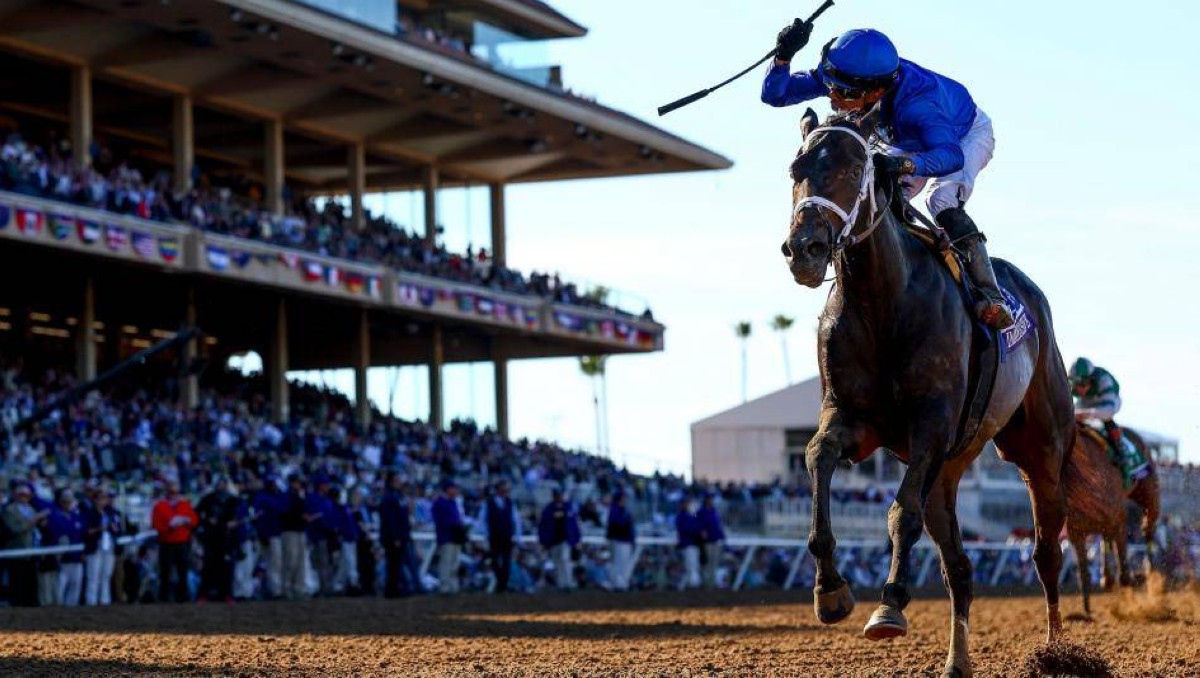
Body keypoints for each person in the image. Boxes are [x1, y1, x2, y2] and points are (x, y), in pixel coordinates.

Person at [762, 25, 1012, 329]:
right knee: (875, 198)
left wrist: (906, 166)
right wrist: (783, 56)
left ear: (877, 91)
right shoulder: (847, 76)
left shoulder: (919, 104)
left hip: (962, 137)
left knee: (941, 200)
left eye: (844, 94)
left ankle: (990, 293)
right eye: (830, 86)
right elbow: (775, 95)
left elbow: (951, 157)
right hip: (898, 138)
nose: (833, 98)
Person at [1070, 357, 1150, 486]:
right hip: (1087, 402)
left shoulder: (1104, 381)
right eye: (1076, 385)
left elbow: (1108, 411)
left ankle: (1122, 453)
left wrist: (1087, 414)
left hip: (1109, 402)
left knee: (1106, 420)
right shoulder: (1073, 388)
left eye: (1083, 384)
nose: (1080, 389)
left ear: (1092, 379)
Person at [151, 481, 197, 603]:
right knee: (165, 571)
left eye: (176, 492)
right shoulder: (160, 506)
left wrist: (186, 521)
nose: (174, 495)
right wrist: (169, 526)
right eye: (171, 492)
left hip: (182, 542)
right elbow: (156, 525)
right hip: (166, 542)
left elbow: (194, 520)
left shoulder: (184, 505)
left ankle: (183, 596)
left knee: (183, 570)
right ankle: (164, 597)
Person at [3, 483, 48, 607]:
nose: (25, 497)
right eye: (22, 495)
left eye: (27, 495)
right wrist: (33, 521)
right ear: (16, 495)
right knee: (18, 582)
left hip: (32, 550)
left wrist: (40, 523)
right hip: (18, 550)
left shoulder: (30, 508)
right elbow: (13, 529)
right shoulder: (9, 510)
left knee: (31, 582)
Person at [196, 477, 237, 602]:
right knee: (208, 566)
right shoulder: (207, 499)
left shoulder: (232, 499)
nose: (221, 486)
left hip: (225, 537)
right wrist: (207, 520)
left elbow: (237, 515)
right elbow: (198, 513)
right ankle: (203, 594)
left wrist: (232, 522)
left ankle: (226, 595)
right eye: (219, 484)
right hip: (211, 536)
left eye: (223, 484)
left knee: (226, 567)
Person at [82, 487, 122, 606]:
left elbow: (118, 529)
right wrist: (100, 529)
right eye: (100, 499)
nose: (103, 501)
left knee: (106, 574)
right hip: (95, 546)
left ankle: (105, 600)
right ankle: (91, 601)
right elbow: (86, 531)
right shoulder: (89, 514)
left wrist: (115, 529)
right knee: (93, 575)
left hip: (108, 545)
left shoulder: (111, 513)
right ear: (95, 500)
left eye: (105, 498)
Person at [379, 473, 417, 597]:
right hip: (394, 537)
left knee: (397, 564)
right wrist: (395, 536)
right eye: (397, 480)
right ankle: (392, 590)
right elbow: (391, 520)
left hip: (400, 535)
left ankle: (397, 588)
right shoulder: (390, 498)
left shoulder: (398, 497)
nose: (399, 482)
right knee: (393, 564)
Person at [479, 480, 520, 593]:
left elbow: (516, 520)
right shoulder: (488, 503)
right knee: (495, 560)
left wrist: (517, 536)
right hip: (494, 535)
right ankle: (500, 581)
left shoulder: (510, 503)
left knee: (506, 560)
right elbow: (482, 520)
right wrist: (485, 535)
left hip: (507, 535)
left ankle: (503, 584)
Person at [46, 488, 85, 606]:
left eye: (69, 501)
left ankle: (71, 608)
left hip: (76, 557)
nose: (67, 504)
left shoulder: (76, 516)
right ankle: (58, 608)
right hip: (62, 558)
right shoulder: (55, 516)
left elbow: (81, 534)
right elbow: (56, 534)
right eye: (65, 501)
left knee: (76, 584)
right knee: (60, 586)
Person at [538, 487, 581, 591]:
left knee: (565, 560)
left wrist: (576, 538)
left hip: (565, 539)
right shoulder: (548, 509)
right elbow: (543, 526)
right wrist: (543, 541)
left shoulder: (567, 508)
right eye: (557, 495)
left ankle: (568, 583)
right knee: (557, 562)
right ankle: (561, 584)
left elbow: (574, 524)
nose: (558, 497)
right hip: (553, 540)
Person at [251, 475, 286, 599]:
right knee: (258, 563)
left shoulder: (280, 496)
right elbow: (257, 517)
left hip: (277, 534)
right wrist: (262, 534)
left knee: (277, 563)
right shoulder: (261, 497)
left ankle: (276, 589)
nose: (275, 486)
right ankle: (250, 591)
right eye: (273, 484)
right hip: (265, 534)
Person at [432, 479, 466, 594]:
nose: (455, 490)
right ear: (448, 489)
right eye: (453, 488)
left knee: (454, 563)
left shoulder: (453, 502)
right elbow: (442, 521)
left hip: (455, 537)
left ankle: (453, 586)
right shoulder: (440, 502)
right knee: (446, 563)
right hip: (446, 536)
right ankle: (444, 587)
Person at [279, 474, 310, 600]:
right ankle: (286, 588)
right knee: (290, 561)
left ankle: (298, 588)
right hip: (289, 531)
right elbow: (284, 513)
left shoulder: (299, 497)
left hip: (299, 530)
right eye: (297, 482)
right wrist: (300, 516)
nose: (298, 485)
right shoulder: (287, 497)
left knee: (300, 562)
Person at [605, 490, 636, 592]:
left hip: (625, 539)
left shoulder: (622, 510)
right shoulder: (615, 510)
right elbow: (619, 524)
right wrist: (628, 518)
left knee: (623, 563)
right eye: (623, 498)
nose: (625, 500)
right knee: (619, 563)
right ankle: (618, 585)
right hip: (619, 539)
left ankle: (622, 584)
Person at [697, 493, 726, 590]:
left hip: (716, 539)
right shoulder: (702, 511)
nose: (712, 501)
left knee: (714, 563)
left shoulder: (714, 511)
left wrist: (722, 536)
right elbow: (700, 525)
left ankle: (712, 583)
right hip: (707, 541)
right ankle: (706, 583)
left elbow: (718, 525)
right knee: (707, 563)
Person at [674, 499, 701, 590]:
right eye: (686, 503)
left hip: (692, 543)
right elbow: (687, 529)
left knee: (692, 566)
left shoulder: (690, 516)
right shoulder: (681, 516)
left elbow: (696, 524)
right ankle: (694, 586)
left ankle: (683, 586)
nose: (688, 505)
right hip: (687, 543)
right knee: (691, 566)